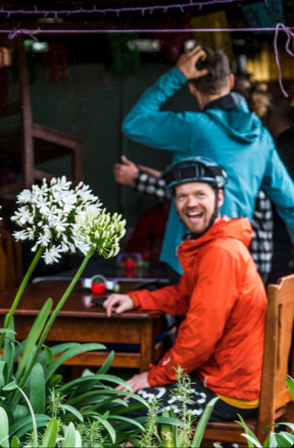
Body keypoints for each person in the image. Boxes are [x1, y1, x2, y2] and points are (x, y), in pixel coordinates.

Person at [104, 157, 267, 421]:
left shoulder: (221, 252)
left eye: (200, 194)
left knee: (121, 411)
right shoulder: (211, 244)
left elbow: (200, 339)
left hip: (228, 392)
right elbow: (183, 296)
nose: (190, 203)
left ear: (220, 197)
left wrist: (153, 377)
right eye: (182, 197)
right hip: (223, 377)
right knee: (124, 396)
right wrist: (135, 298)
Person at [121, 45, 294, 279]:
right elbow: (290, 202)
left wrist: (176, 75)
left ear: (192, 88)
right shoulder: (260, 136)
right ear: (230, 81)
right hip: (237, 260)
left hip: (191, 261)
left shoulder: (194, 127)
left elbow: (135, 123)